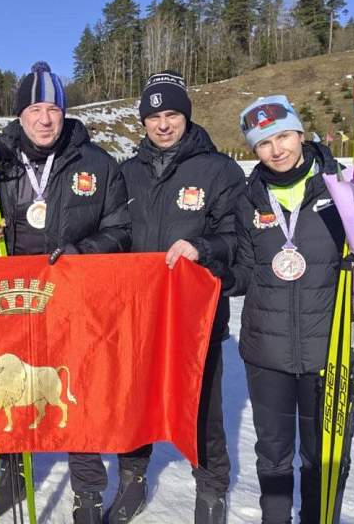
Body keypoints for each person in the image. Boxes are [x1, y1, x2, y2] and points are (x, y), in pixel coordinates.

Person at [0, 62, 131, 524]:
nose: (45, 119)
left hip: (72, 304)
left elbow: (120, 230)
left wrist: (82, 251)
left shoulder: (96, 164)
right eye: (35, 109)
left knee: (73, 392)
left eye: (54, 108)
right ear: (20, 115)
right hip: (11, 303)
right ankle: (13, 482)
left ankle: (88, 493)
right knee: (11, 394)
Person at [226, 96, 354, 524]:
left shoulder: (345, 188)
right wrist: (209, 275)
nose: (277, 149)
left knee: (323, 455)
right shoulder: (248, 199)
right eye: (264, 143)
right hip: (267, 353)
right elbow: (245, 272)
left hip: (332, 349)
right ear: (254, 151)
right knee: (272, 453)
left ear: (301, 134)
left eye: (284, 135)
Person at [113, 71, 245, 524]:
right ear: (143, 121)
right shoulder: (126, 172)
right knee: (134, 401)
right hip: (137, 315)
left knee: (203, 406)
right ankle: (131, 480)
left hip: (195, 316)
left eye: (172, 114)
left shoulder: (220, 170)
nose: (163, 124)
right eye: (154, 116)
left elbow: (237, 238)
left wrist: (202, 249)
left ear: (186, 116)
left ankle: (210, 489)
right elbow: (111, 234)